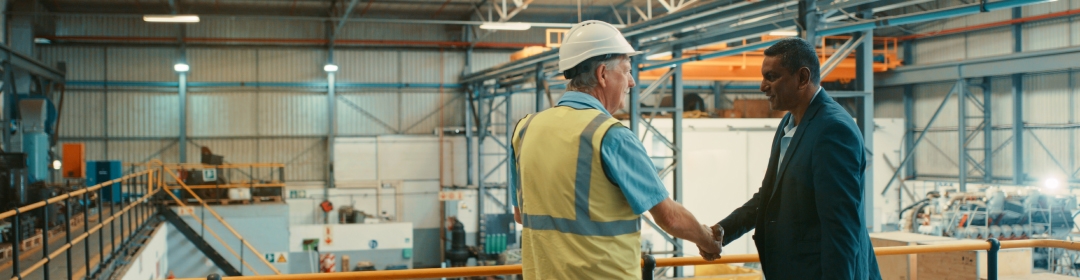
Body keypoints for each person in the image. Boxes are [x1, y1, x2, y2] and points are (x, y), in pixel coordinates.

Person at [508, 20, 723, 279]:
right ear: (602, 74)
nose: (631, 82)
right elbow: (670, 218)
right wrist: (708, 240)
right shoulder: (610, 136)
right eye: (627, 70)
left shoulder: (525, 129)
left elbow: (521, 215)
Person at [702, 37, 881, 279]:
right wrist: (724, 230)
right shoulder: (789, 122)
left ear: (802, 78)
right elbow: (769, 196)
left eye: (772, 77)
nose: (762, 86)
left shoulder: (833, 130)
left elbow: (840, 228)